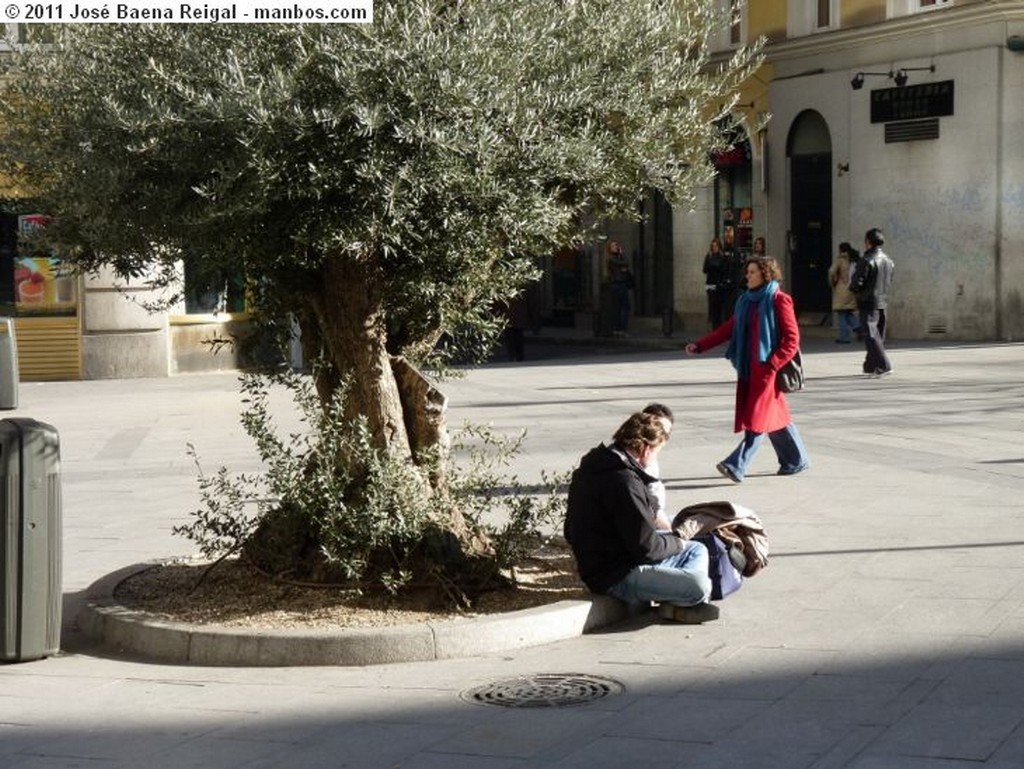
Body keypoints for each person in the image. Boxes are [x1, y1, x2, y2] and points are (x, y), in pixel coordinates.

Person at [564, 411, 718, 624]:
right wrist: (677, 541)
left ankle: (674, 595)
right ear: (646, 449)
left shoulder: (600, 464)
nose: (655, 458)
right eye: (657, 452)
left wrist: (675, 542)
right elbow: (647, 548)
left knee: (698, 549)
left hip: (618, 559)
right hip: (615, 574)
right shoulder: (624, 482)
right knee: (700, 585)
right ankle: (680, 599)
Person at [685, 256, 810, 482]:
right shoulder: (745, 301)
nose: (748, 275)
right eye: (748, 272)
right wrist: (700, 346)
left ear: (765, 273)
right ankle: (795, 460)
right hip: (748, 369)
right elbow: (727, 330)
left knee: (757, 418)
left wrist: (773, 364)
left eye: (752, 272)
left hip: (768, 371)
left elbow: (792, 340)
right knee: (775, 415)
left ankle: (737, 465)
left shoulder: (779, 300)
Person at [849, 227, 895, 376]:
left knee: (871, 335)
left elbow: (856, 283)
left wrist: (855, 289)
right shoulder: (888, 261)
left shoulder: (867, 260)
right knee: (877, 335)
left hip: (868, 302)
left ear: (868, 242)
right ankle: (869, 366)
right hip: (882, 301)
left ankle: (884, 365)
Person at [640, 402, 674, 530]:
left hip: (655, 517)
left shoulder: (651, 460)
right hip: (646, 526)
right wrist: (673, 536)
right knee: (697, 548)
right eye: (658, 428)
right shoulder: (640, 461)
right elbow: (650, 511)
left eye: (666, 434)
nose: (661, 437)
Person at [828, 242, 861, 344]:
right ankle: (859, 327)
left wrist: (832, 283)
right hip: (852, 289)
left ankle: (844, 337)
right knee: (847, 312)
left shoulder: (840, 260)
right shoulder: (855, 259)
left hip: (842, 289)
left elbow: (831, 271)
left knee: (842, 313)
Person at [701, 237, 732, 329]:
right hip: (710, 283)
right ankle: (714, 325)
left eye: (716, 246)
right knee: (712, 304)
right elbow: (704, 269)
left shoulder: (722, 257)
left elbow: (725, 270)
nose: (714, 248)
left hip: (719, 283)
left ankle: (718, 325)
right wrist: (712, 268)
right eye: (713, 246)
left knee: (719, 305)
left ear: (719, 247)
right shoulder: (709, 256)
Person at [605, 240, 633, 338]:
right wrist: (622, 255)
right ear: (609, 248)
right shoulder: (611, 259)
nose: (616, 247)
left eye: (616, 245)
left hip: (622, 284)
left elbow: (625, 265)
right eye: (613, 246)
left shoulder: (616, 258)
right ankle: (619, 329)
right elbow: (625, 262)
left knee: (622, 307)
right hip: (617, 285)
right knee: (621, 307)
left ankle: (619, 329)